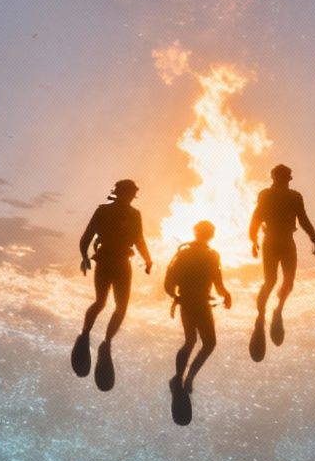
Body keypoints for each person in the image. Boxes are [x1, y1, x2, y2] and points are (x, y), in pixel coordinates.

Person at [71, 178, 152, 391]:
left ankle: (104, 342)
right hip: (109, 261)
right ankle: (89, 334)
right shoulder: (108, 212)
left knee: (118, 307)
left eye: (131, 194)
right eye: (129, 193)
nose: (130, 197)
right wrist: (85, 256)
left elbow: (139, 240)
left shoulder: (131, 215)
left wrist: (148, 259)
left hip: (117, 262)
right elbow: (86, 237)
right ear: (123, 193)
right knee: (102, 302)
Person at [246, 163, 315, 361]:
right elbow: (256, 217)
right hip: (272, 240)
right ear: (275, 177)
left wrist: (313, 237)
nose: (281, 180)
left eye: (284, 177)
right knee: (270, 281)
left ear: (287, 179)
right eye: (280, 176)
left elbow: (303, 219)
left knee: (288, 281)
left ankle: (277, 311)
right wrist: (253, 240)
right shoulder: (266, 195)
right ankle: (261, 318)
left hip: (285, 241)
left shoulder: (295, 197)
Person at [164, 221, 232, 426]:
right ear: (200, 233)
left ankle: (186, 378)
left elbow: (217, 282)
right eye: (206, 232)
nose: (207, 235)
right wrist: (177, 297)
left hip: (201, 303)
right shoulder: (185, 254)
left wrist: (225, 294)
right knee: (192, 341)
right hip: (191, 303)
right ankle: (180, 378)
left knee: (204, 343)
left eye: (209, 233)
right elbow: (169, 282)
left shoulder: (212, 255)